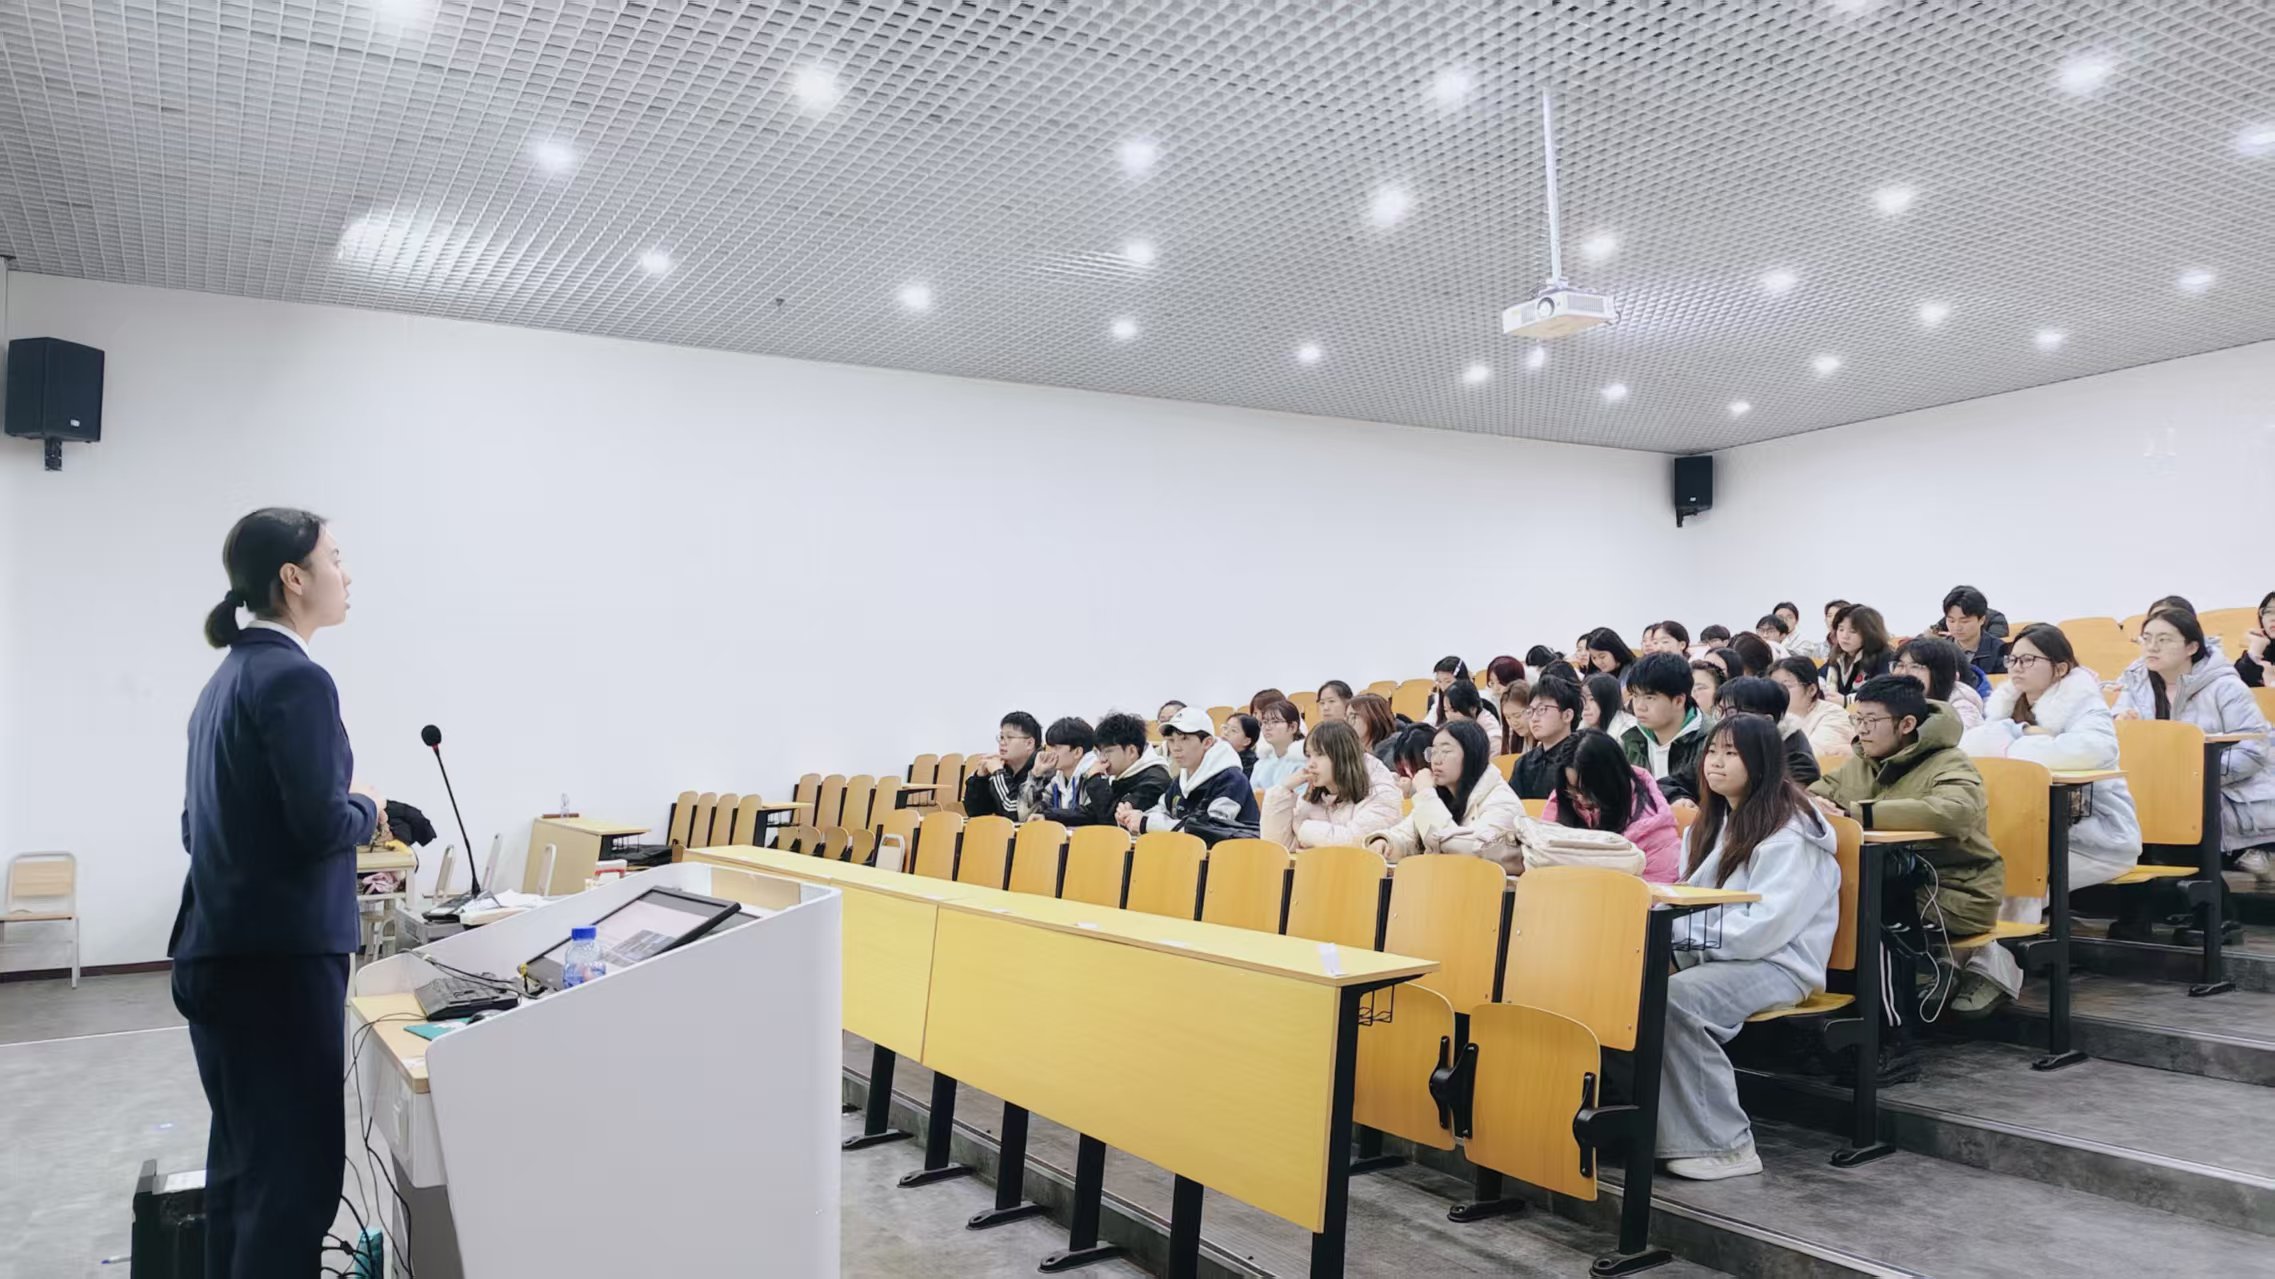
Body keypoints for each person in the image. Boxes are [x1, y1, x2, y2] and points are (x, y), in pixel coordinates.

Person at [174, 508, 383, 1275]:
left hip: (218, 956)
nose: (346, 573)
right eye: (335, 557)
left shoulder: (223, 682)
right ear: (294, 578)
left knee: (244, 1175)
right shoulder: (297, 677)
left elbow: (197, 829)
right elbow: (319, 822)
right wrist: (370, 807)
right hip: (280, 965)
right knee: (294, 1180)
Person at [1659, 715, 1840, 1181]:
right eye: (1711, 751)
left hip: (1779, 963)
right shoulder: (1711, 822)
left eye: (1731, 753)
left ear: (1761, 761)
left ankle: (1727, 1146)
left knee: (1677, 1000)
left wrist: (1680, 940)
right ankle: (1651, 1126)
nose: (1715, 763)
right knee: (1619, 986)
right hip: (1721, 954)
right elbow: (1687, 897)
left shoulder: (1793, 830)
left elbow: (1765, 928)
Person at [1958, 624, 2143, 1010]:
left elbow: (2092, 750)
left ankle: (1993, 974)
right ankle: (1957, 964)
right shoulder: (2006, 705)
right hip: (2029, 830)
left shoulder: (2085, 704)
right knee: (1981, 866)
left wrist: (2014, 743)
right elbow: (1972, 747)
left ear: (2060, 667)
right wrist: (2025, 735)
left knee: (2020, 875)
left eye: (2028, 660)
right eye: (2012, 659)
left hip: (2098, 838)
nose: (2016, 667)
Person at [1809, 675, 2005, 962]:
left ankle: (1911, 984)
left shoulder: (1949, 761)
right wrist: (1811, 804)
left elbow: (1957, 812)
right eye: (1858, 719)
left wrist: (1861, 814)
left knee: (1852, 908)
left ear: (1906, 724)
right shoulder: (1863, 761)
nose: (1861, 730)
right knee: (1816, 898)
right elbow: (1817, 794)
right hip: (1886, 883)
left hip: (1952, 891)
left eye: (1871, 721)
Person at [2115, 609, 2275, 881]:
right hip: (2158, 793)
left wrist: (2192, 776)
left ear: (2191, 647)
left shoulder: (2225, 686)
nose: (2152, 647)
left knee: (2178, 818)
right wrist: (2122, 724)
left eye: (2164, 640)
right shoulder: (2136, 683)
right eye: (2147, 638)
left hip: (2227, 793)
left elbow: (2253, 749)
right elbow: (2114, 733)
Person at [1369, 720, 1523, 863]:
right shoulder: (1442, 794)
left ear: (1471, 755)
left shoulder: (1502, 802)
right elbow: (1406, 835)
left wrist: (1426, 794)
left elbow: (1471, 852)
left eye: (1446, 751)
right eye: (1433, 752)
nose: (1436, 760)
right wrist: (1385, 842)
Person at [1543, 729, 1684, 882]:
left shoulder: (1654, 832)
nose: (1581, 798)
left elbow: (1657, 891)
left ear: (1611, 782)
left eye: (1589, 791)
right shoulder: (1562, 800)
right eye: (1573, 790)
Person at [1120, 707, 1261, 840]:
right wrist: (1133, 818)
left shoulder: (1232, 779)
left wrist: (1147, 823)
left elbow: (1209, 830)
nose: (1176, 748)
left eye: (1184, 739)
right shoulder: (1182, 778)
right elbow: (1160, 811)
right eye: (1171, 740)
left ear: (1207, 742)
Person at [1262, 720, 1404, 850]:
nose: (1310, 764)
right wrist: (1283, 790)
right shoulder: (1315, 794)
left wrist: (1303, 829)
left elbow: (1355, 842)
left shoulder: (1381, 792)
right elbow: (1278, 848)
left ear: (1343, 756)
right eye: (1309, 755)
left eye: (1319, 754)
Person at [1622, 652, 1710, 793]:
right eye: (1635, 696)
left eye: (1650, 698)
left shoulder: (1710, 742)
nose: (1639, 707)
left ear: (1679, 701)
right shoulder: (1632, 740)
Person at [1031, 717, 1115, 826]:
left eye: (1056, 748)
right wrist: (1036, 775)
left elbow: (1091, 815)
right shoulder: (1057, 779)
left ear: (1077, 752)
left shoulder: (1096, 775)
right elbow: (1029, 814)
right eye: (1049, 747)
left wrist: (1050, 816)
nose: (1050, 753)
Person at [1773, 656, 1856, 765]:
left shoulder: (1834, 715)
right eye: (1774, 686)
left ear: (1811, 690)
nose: (1777, 693)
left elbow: (1810, 757)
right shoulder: (1775, 716)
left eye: (1786, 686)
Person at [1513, 677, 1583, 800]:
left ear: (1567, 715)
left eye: (1541, 709)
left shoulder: (1581, 759)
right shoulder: (1523, 763)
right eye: (1530, 711)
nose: (1534, 718)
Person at [964, 711, 1044, 819]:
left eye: (1009, 737)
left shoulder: (1041, 771)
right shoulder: (1005, 768)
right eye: (1001, 737)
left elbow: (1015, 812)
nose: (1002, 743)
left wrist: (998, 773)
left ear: (1029, 743)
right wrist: (980, 778)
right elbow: (976, 812)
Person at [1894, 635, 1984, 729]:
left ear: (1939, 674)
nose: (1903, 673)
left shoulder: (1963, 709)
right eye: (1900, 665)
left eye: (1915, 666)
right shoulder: (1892, 701)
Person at [1095, 712, 1174, 816]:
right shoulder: (1119, 776)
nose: (1102, 759)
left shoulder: (1154, 782)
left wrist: (1094, 781)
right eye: (1099, 753)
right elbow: (1092, 812)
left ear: (1132, 751)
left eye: (1108, 752)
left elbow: (1113, 818)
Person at [1824, 604, 1893, 700]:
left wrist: (1846, 701)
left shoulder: (1883, 656)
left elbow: (1882, 691)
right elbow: (1820, 676)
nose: (1845, 636)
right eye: (1841, 629)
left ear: (1870, 633)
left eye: (1853, 631)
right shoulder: (1837, 655)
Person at [1939, 586, 2007, 675]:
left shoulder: (1999, 649)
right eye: (1951, 621)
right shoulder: (1940, 650)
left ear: (1981, 620)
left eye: (1964, 621)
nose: (1957, 627)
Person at [1249, 700, 1309, 790]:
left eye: (1275, 722)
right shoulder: (1261, 763)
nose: (1267, 727)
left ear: (1293, 727)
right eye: (1265, 722)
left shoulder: (1303, 762)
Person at [1441, 678, 1504, 748]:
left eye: (1455, 710)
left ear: (1473, 709)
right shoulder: (1452, 727)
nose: (1449, 717)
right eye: (1446, 710)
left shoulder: (1491, 736)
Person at [1580, 672, 1637, 741]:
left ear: (1609, 700)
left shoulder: (1628, 729)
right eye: (1582, 699)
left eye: (1592, 699)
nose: (1585, 707)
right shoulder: (1581, 726)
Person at [1349, 693, 1401, 769]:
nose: (1348, 722)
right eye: (1346, 717)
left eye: (1353, 716)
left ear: (1373, 717)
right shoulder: (1349, 752)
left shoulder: (1395, 753)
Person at [2238, 591, 2275, 688]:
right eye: (2268, 612)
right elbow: (2234, 687)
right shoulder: (2254, 658)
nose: (2273, 618)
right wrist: (2254, 652)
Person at [1424, 656, 1470, 723]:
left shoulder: (1472, 702)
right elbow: (1427, 723)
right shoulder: (1438, 702)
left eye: (1448, 681)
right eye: (1439, 682)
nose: (1443, 687)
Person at [1498, 681, 1533, 756]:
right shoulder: (1512, 739)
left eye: (1517, 716)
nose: (1513, 723)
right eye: (1508, 717)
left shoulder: (1546, 742)